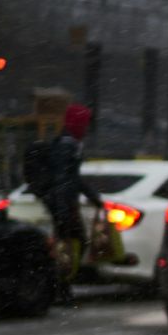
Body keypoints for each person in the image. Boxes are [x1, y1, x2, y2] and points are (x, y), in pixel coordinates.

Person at [34, 104, 103, 296]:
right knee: (72, 243)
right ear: (77, 123)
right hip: (64, 204)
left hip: (63, 204)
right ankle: (60, 285)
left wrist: (92, 196)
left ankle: (61, 285)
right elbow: (64, 179)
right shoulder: (67, 145)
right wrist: (64, 209)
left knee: (68, 244)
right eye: (85, 123)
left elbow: (71, 178)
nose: (87, 128)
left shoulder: (67, 143)